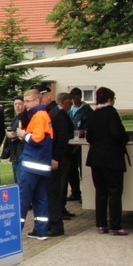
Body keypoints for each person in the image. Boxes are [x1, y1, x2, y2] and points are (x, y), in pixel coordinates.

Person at [85, 87, 130, 235]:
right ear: (110, 99)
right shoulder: (112, 113)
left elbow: (89, 137)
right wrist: (125, 138)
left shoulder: (93, 114)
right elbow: (117, 133)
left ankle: (101, 224)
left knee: (100, 191)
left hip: (95, 157)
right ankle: (115, 225)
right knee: (114, 191)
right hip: (111, 157)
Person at [16, 89, 53, 240]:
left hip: (31, 164)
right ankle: (41, 230)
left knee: (22, 198)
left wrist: (24, 135)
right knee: (40, 198)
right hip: (42, 165)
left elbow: (37, 140)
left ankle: (15, 232)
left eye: (27, 101)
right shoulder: (43, 115)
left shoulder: (39, 116)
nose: (25, 104)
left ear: (37, 101)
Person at [45, 89, 75, 234]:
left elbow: (63, 135)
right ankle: (58, 213)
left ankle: (58, 216)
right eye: (70, 102)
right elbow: (64, 135)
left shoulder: (58, 113)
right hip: (59, 155)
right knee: (57, 187)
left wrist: (56, 156)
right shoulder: (57, 113)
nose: (71, 104)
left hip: (59, 156)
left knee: (58, 186)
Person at [67, 88, 92, 202]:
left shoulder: (87, 110)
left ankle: (87, 195)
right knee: (71, 169)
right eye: (72, 96)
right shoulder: (69, 110)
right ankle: (75, 192)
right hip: (71, 143)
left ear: (80, 96)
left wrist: (84, 131)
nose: (74, 99)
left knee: (83, 169)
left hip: (82, 144)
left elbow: (90, 126)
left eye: (76, 96)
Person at [1, 96, 26, 183]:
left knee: (21, 182)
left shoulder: (25, 118)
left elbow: (25, 134)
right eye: (15, 104)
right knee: (16, 181)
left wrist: (13, 135)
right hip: (14, 155)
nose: (17, 106)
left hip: (22, 155)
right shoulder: (16, 118)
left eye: (20, 104)